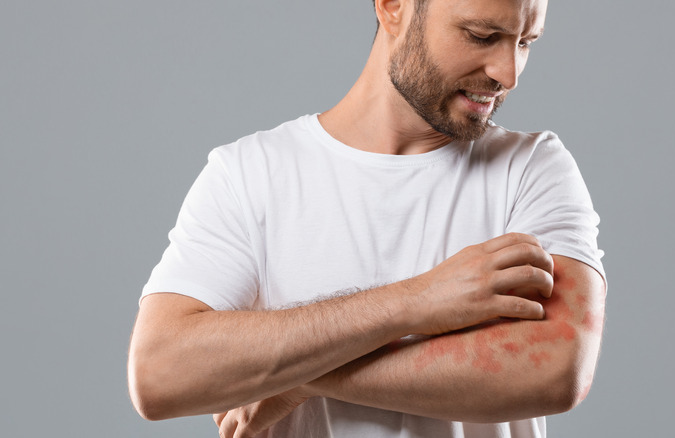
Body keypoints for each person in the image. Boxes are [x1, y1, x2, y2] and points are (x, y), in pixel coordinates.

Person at [128, 0, 607, 437]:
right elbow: (160, 371)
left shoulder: (532, 168)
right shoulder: (249, 174)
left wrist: (296, 377)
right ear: (393, 7)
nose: (508, 72)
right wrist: (417, 300)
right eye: (481, 36)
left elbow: (555, 369)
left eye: (525, 42)